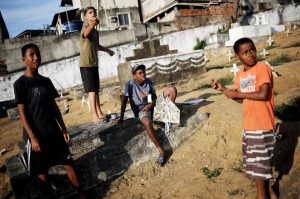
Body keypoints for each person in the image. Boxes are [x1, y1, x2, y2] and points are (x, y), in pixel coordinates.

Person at [14, 44, 84, 198]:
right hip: (36, 136)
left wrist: (64, 129)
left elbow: (54, 107)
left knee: (68, 163)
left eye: (37, 54)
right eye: (31, 55)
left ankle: (81, 195)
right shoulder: (20, 84)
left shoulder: (46, 81)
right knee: (42, 172)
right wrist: (32, 138)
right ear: (23, 59)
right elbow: (22, 113)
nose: (36, 57)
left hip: (53, 131)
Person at [212, 38, 277, 199]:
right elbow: (243, 99)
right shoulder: (240, 74)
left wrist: (237, 93)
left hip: (262, 126)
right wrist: (224, 90)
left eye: (252, 50)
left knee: (259, 176)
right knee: (259, 170)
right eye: (245, 52)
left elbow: (263, 94)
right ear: (237, 56)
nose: (250, 54)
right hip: (249, 127)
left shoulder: (262, 68)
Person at [116, 64, 177, 166]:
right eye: (140, 73)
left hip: (151, 105)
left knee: (172, 89)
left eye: (144, 72)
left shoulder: (148, 82)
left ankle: (164, 117)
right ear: (134, 75)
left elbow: (152, 97)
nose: (143, 74)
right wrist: (121, 118)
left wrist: (151, 105)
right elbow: (124, 100)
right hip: (141, 110)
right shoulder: (130, 84)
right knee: (147, 122)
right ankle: (162, 151)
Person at [79, 6, 115, 122]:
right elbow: (85, 34)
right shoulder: (85, 27)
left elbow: (97, 46)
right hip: (86, 63)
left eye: (94, 12)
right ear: (86, 16)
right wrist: (92, 24)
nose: (93, 14)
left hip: (94, 63)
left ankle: (99, 112)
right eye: (90, 12)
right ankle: (94, 116)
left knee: (96, 89)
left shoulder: (95, 31)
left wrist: (108, 50)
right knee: (92, 90)